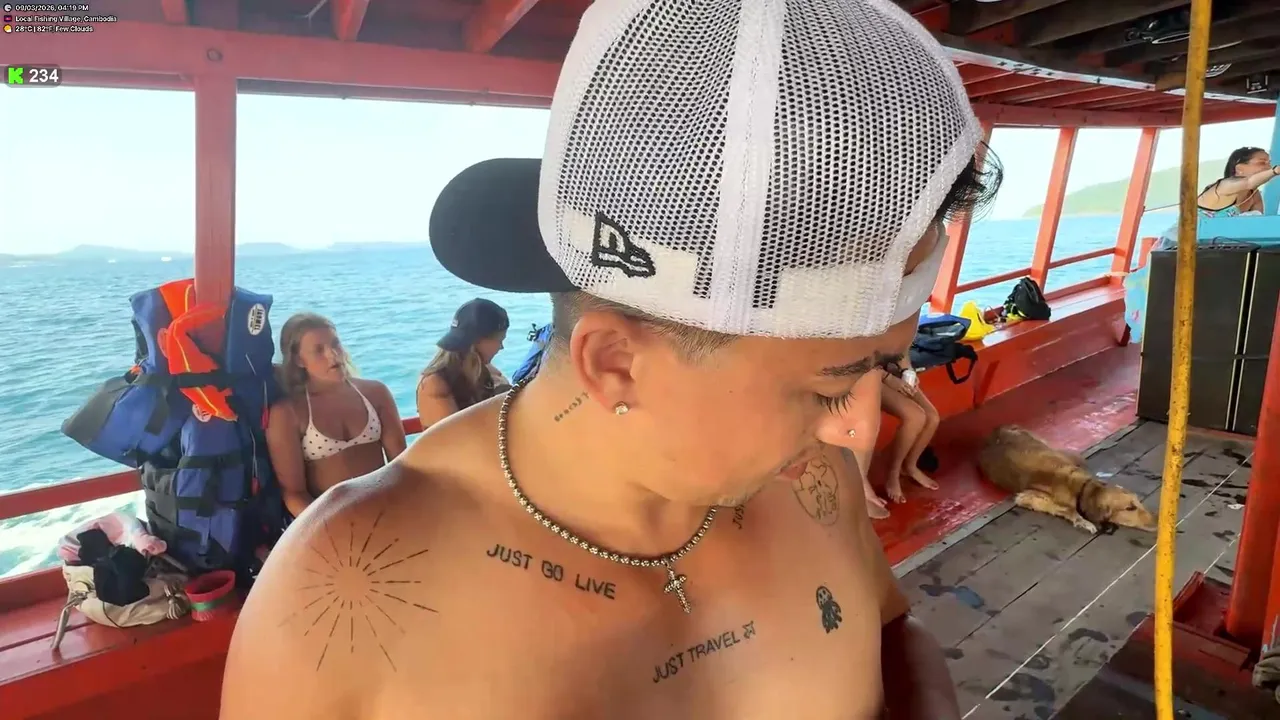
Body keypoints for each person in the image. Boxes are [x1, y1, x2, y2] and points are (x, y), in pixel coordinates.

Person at [221, 1, 1001, 718]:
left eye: (880, 369)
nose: (856, 429)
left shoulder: (810, 475)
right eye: (829, 390)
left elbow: (889, 632)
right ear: (616, 362)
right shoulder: (343, 588)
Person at [264, 313, 407, 520]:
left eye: (335, 344)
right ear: (298, 360)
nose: (333, 355)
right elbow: (294, 494)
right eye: (319, 350)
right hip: (328, 521)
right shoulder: (288, 413)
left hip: (387, 509)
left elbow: (401, 465)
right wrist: (331, 530)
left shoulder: (376, 393)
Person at [415, 298, 511, 429]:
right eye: (500, 340)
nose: (501, 347)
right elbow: (454, 438)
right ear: (479, 341)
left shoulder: (485, 372)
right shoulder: (434, 384)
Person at [879, 368, 941, 506]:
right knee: (915, 417)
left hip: (890, 370)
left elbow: (903, 356)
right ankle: (893, 472)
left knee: (932, 417)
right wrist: (888, 378)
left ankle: (910, 465)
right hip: (867, 374)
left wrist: (908, 370)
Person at [1197, 147, 1279, 217]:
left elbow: (1257, 224)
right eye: (1262, 163)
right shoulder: (1225, 185)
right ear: (1239, 169)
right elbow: (1249, 182)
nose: (1269, 167)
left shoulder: (1254, 195)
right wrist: (1275, 171)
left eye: (1269, 163)